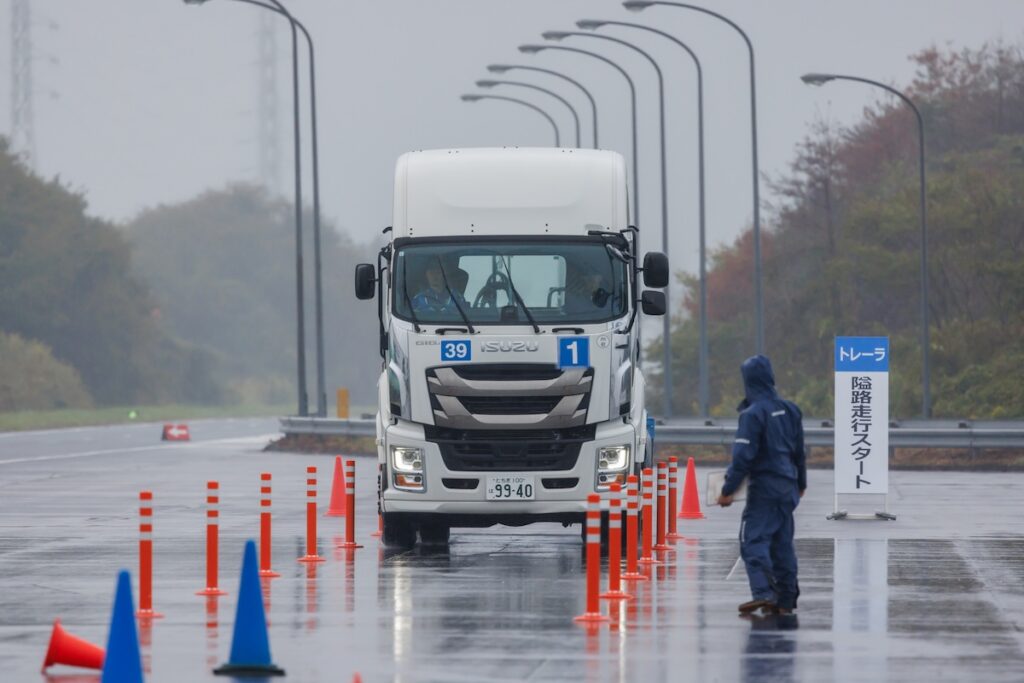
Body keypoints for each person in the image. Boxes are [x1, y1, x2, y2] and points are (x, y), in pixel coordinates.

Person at [718, 354, 807, 616]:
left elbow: (743, 458)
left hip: (765, 488)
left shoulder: (752, 415)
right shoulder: (791, 410)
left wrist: (727, 491)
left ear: (748, 382)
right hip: (788, 486)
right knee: (782, 544)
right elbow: (800, 452)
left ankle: (764, 593)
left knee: (753, 540)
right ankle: (786, 598)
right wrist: (801, 482)